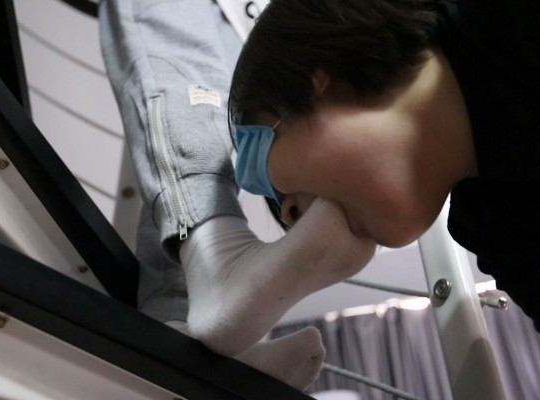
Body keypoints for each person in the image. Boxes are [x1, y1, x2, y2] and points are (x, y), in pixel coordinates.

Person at [228, 0, 540, 394]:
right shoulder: (492, 227)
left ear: (315, 80)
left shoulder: (529, 19)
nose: (289, 215)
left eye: (255, 160)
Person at [98, 0, 375, 390]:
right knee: (189, 85)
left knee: (222, 133)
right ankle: (213, 271)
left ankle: (179, 327)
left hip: (253, 20)